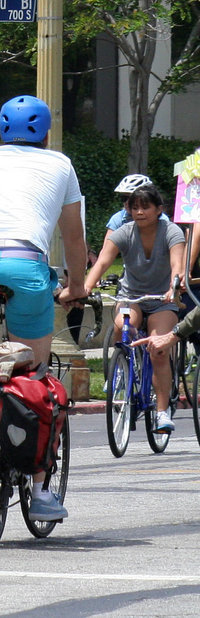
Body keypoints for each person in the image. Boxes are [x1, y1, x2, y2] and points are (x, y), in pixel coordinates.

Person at [0, 94, 87, 523]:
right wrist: (76, 286)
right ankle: (43, 490)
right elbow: (73, 238)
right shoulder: (60, 165)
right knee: (36, 376)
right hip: (25, 262)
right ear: (46, 133)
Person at [85, 184, 183, 432]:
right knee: (121, 326)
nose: (139, 212)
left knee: (159, 349)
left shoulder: (171, 231)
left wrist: (175, 285)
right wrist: (85, 287)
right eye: (134, 207)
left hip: (163, 299)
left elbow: (177, 264)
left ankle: (161, 412)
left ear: (159, 209)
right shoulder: (123, 232)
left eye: (145, 207)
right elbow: (103, 262)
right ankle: (122, 372)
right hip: (131, 296)